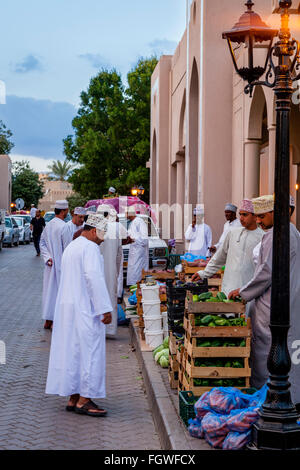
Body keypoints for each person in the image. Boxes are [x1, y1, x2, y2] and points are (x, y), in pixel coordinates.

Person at [229, 195, 300, 405]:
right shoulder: (292, 232)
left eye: (261, 216)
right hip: (289, 301)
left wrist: (242, 292)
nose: (258, 221)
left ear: (276, 213)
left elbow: (266, 272)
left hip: (273, 305)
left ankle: (269, 401)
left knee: (268, 353)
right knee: (291, 354)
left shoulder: (277, 234)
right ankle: (291, 399)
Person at [45, 213, 113, 416]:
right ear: (93, 231)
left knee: (73, 353)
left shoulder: (72, 247)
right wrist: (104, 308)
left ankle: (73, 397)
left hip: (67, 309)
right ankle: (85, 399)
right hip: (85, 309)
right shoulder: (90, 248)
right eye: (101, 236)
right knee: (90, 352)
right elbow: (94, 279)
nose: (102, 240)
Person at [192, 199, 264, 296]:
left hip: (249, 292)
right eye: (240, 214)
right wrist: (204, 273)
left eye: (245, 215)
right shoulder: (233, 233)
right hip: (229, 288)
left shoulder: (263, 237)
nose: (241, 218)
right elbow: (219, 257)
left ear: (255, 216)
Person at [97, 205, 126, 338]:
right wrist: (116, 269)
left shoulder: (95, 227)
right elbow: (120, 253)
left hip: (96, 269)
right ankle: (110, 329)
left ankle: (97, 327)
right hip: (110, 269)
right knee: (110, 296)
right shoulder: (116, 228)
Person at [40, 200, 69, 330]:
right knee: (58, 293)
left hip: (50, 265)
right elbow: (68, 248)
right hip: (61, 266)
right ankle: (54, 320)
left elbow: (42, 244)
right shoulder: (64, 227)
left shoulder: (49, 225)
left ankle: (48, 319)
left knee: (49, 293)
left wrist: (48, 258)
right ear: (64, 211)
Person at [126, 206, 149, 286]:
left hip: (139, 251)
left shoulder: (139, 221)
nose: (126, 215)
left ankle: (137, 286)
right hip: (134, 250)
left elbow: (144, 239)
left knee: (138, 269)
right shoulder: (132, 223)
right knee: (133, 268)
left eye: (126, 213)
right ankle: (133, 286)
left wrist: (134, 240)